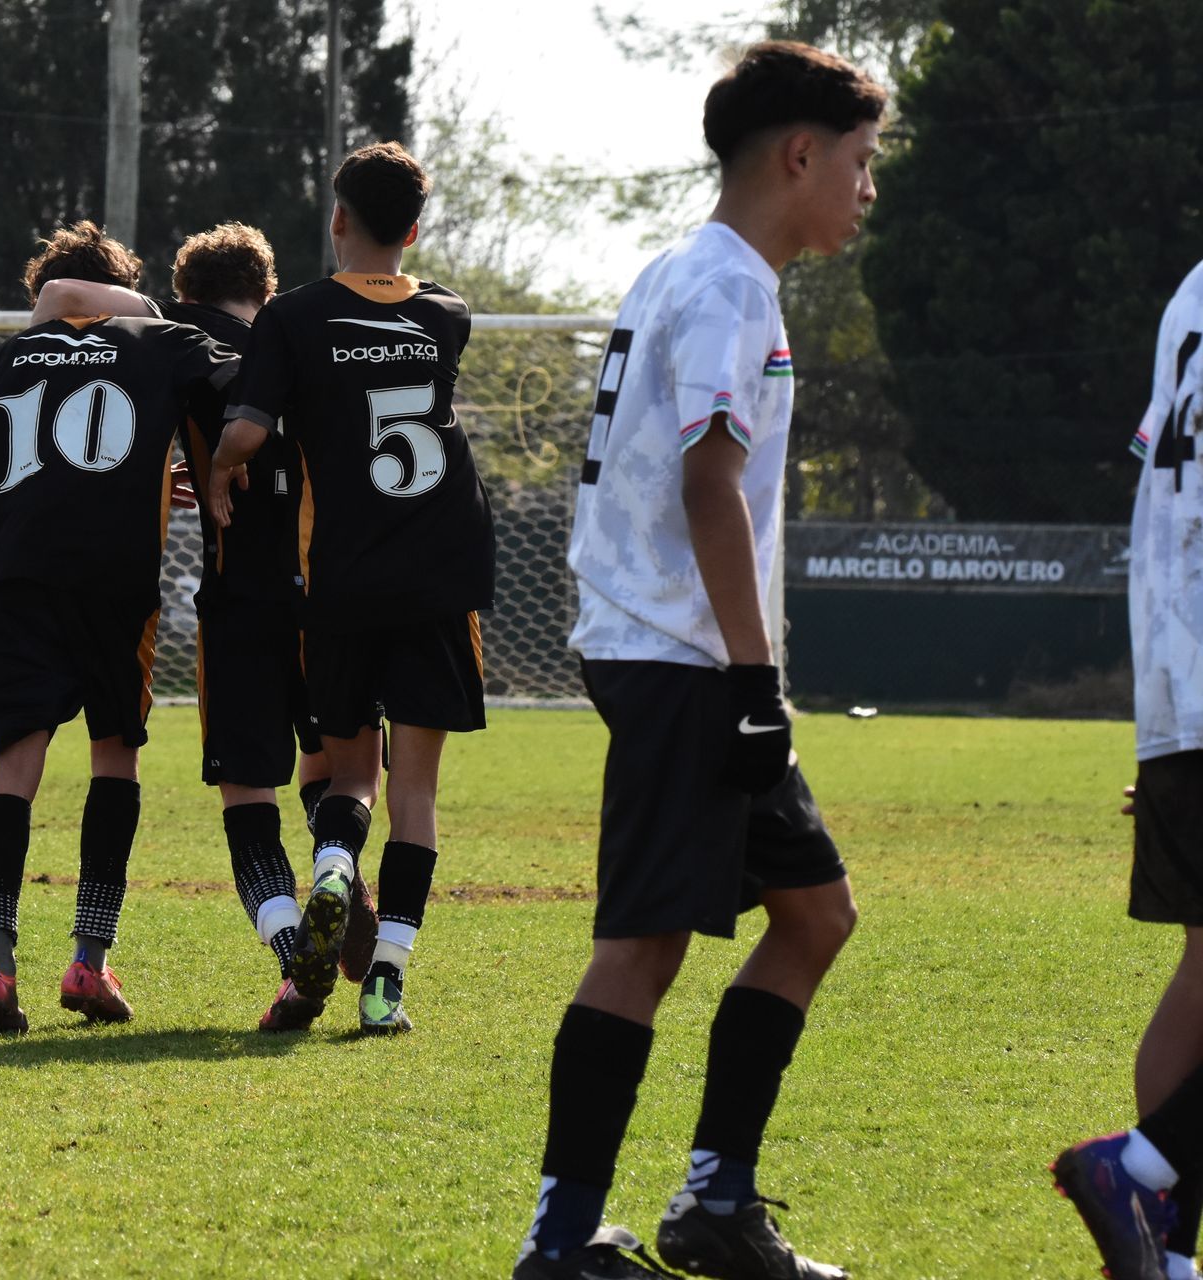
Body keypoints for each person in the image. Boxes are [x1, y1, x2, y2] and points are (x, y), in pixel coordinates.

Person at [513, 42, 884, 1280]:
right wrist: (754, 680)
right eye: (862, 161)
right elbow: (709, 485)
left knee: (815, 912)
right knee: (644, 943)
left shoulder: (690, 269)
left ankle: (716, 1203)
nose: (868, 187)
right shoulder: (726, 285)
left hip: (682, 653)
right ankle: (559, 1243)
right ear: (800, 155)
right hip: (683, 657)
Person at [31, 224, 379, 1032]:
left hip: (239, 600)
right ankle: (339, 869)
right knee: (333, 767)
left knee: (246, 794)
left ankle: (295, 960)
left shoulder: (176, 341)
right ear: (267, 289)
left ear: (185, 294)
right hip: (330, 593)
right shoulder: (311, 337)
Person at [207, 141, 495, 1035]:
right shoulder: (445, 314)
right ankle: (386, 988)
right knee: (418, 795)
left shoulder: (292, 317)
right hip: (442, 570)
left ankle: (333, 867)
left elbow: (249, 431)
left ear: (337, 217)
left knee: (351, 772)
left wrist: (216, 471)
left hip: (341, 577)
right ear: (415, 228)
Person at [0, 222, 239, 1032]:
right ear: (122, 287)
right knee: (115, 754)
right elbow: (246, 392)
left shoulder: (8, 357)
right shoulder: (158, 341)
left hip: (16, 578)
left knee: (14, 765)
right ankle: (89, 957)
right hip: (114, 580)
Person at [1051, 259, 1203, 1280]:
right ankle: (1140, 1171)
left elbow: (1160, 483)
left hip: (1179, 670)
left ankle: (1168, 1254)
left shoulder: (1192, 292)